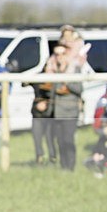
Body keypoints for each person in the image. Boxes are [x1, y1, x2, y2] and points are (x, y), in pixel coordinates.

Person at [45, 41, 83, 171]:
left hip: (70, 111)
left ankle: (70, 166)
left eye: (62, 53)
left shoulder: (74, 69)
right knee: (59, 140)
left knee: (68, 140)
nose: (59, 56)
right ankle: (63, 166)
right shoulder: (53, 70)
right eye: (56, 54)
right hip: (57, 111)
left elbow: (79, 89)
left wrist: (65, 81)